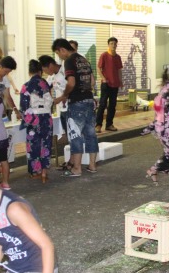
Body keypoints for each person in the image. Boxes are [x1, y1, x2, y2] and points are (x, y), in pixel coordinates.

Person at [51, 38, 99, 176]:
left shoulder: (69, 61)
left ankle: (77, 168)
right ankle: (92, 165)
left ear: (62, 49)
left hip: (77, 102)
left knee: (75, 134)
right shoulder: (83, 60)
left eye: (58, 53)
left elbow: (71, 83)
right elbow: (92, 81)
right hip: (89, 100)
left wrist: (64, 95)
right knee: (91, 134)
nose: (59, 57)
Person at [20, 60, 53, 183]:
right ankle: (44, 172)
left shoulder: (26, 86)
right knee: (46, 144)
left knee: (33, 145)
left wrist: (26, 119)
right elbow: (50, 101)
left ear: (29, 72)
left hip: (33, 117)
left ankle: (36, 171)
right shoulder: (45, 84)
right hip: (46, 117)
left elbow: (23, 106)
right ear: (40, 71)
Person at [96, 37, 123, 133]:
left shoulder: (118, 57)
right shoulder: (104, 55)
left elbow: (119, 70)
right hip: (105, 84)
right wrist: (103, 78)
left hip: (115, 85)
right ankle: (98, 125)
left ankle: (109, 124)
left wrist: (121, 81)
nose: (113, 45)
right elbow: (98, 68)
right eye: (111, 43)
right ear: (108, 44)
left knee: (112, 105)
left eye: (115, 44)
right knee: (102, 104)